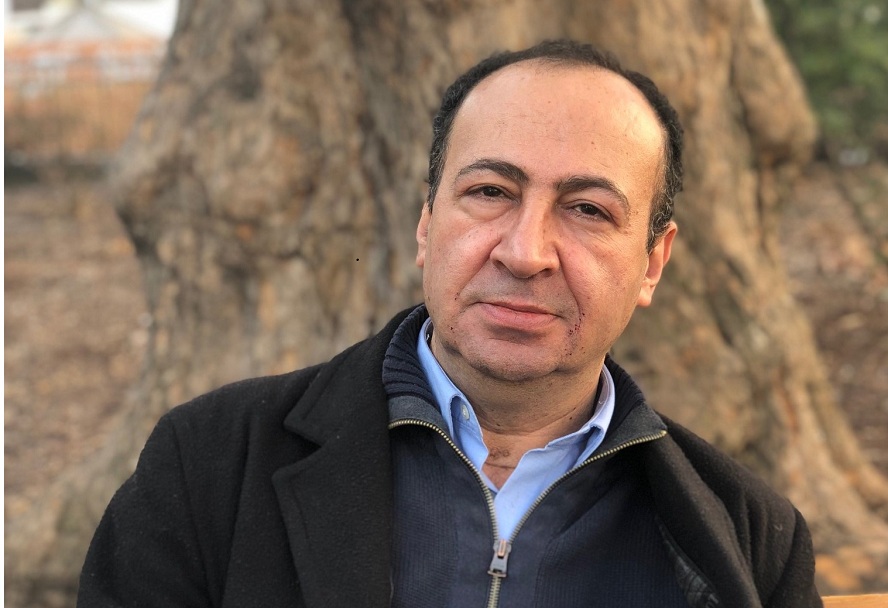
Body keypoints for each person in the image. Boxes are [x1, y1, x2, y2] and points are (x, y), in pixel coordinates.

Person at [78, 40, 822, 607]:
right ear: (427, 225)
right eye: (491, 191)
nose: (525, 252)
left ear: (653, 262)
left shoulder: (751, 538)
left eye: (588, 209)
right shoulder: (211, 464)